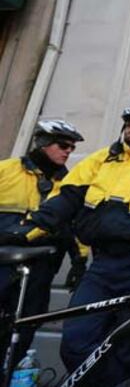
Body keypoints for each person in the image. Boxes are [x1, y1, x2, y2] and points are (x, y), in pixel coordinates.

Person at [7, 103, 130, 385]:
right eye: (129, 123)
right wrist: (25, 232)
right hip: (102, 265)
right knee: (76, 341)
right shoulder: (100, 160)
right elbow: (66, 200)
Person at [0, 119, 86, 367]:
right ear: (43, 143)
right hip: (4, 261)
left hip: (42, 267)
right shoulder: (7, 170)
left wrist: (79, 261)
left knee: (26, 325)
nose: (68, 151)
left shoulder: (70, 185)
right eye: (62, 145)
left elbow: (77, 226)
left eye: (71, 147)